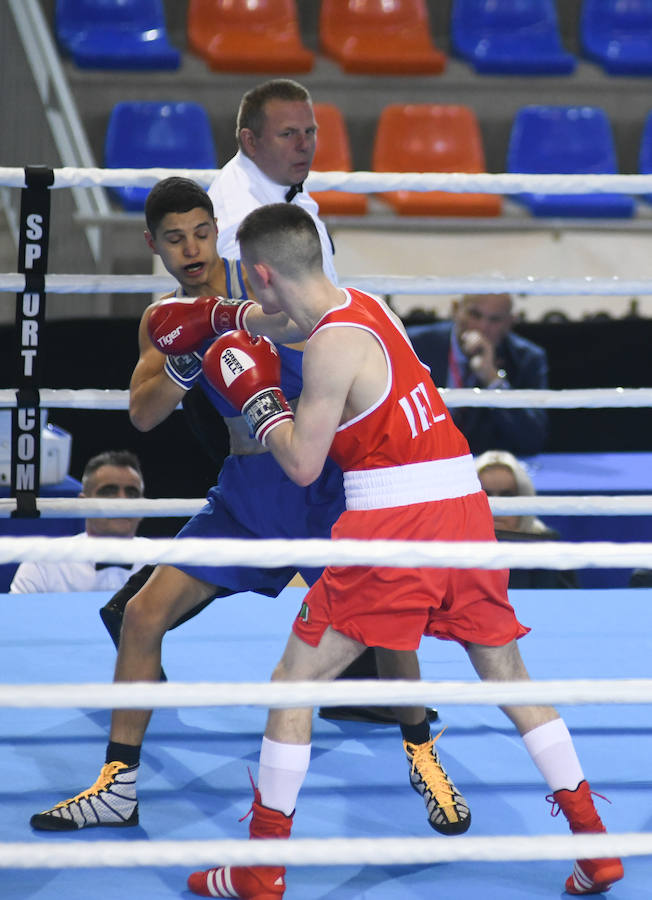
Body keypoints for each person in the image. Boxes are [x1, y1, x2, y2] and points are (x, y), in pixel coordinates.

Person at [185, 203, 622, 898]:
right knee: (509, 675)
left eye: (247, 282)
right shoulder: (365, 305)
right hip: (462, 508)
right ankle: (597, 846)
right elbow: (283, 318)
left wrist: (260, 400)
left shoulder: (329, 347)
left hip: (395, 523)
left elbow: (302, 463)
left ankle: (260, 868)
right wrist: (226, 321)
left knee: (292, 686)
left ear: (261, 272)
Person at [29, 178, 439, 838]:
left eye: (199, 232)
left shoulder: (264, 285)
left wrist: (242, 325)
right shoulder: (162, 316)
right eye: (173, 239)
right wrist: (189, 359)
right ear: (152, 245)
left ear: (215, 229)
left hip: (321, 487)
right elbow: (142, 413)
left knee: (387, 620)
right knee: (141, 614)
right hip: (247, 496)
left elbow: (340, 339)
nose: (190, 249)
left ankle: (423, 755)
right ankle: (118, 786)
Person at [207, 77, 338, 286]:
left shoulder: (280, 176)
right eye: (288, 134)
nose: (304, 145)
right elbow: (255, 313)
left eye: (310, 131)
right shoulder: (240, 219)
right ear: (250, 141)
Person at [406, 293, 549, 456]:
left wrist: (492, 378)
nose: (482, 327)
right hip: (422, 458)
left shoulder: (526, 359)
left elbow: (532, 440)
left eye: (495, 320)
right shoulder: (414, 344)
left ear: (510, 322)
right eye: (475, 315)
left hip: (485, 466)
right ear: (455, 309)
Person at [9, 450, 147, 594]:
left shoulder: (162, 562)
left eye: (131, 493)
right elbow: (15, 615)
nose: (122, 501)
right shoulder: (44, 561)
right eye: (109, 491)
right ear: (83, 504)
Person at [475, 449, 579, 590]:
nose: (497, 508)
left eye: (507, 496)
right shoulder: (449, 547)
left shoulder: (548, 545)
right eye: (486, 496)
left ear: (524, 496)